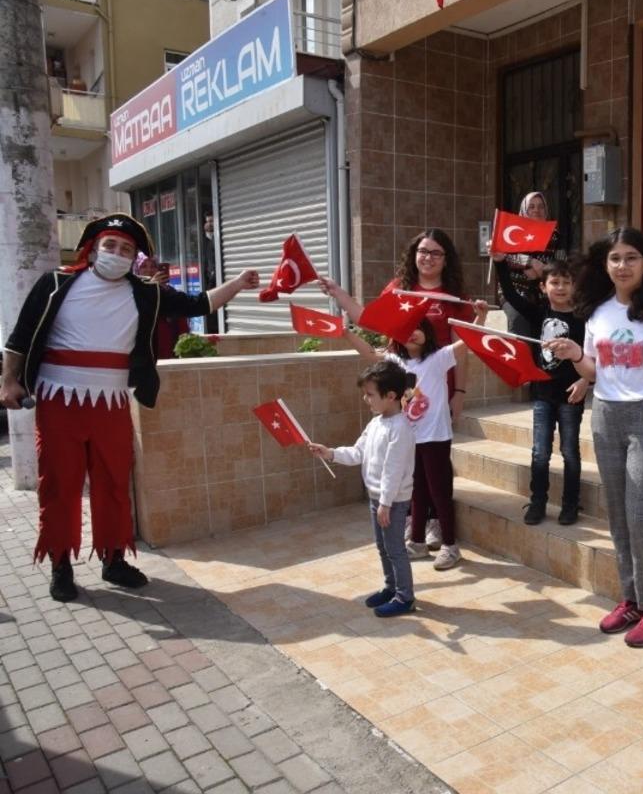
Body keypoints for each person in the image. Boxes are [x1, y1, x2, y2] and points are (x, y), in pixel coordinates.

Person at [0, 214, 260, 602]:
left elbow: (198, 303)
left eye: (126, 249)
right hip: (58, 402)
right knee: (59, 487)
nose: (117, 254)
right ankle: (60, 567)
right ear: (92, 248)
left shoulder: (146, 293)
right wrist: (9, 380)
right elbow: (19, 337)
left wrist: (238, 283)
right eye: (111, 246)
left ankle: (114, 559)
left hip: (111, 403)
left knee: (113, 485)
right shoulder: (56, 283)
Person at [546, 227, 643, 648]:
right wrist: (577, 357)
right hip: (607, 417)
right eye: (615, 258)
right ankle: (630, 597)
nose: (622, 265)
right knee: (617, 515)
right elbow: (597, 371)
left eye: (632, 257)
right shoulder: (598, 312)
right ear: (605, 265)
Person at [321, 228, 475, 550]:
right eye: (423, 251)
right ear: (413, 254)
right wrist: (338, 293)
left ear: (446, 259)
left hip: (436, 388)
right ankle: (415, 524)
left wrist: (459, 393)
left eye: (435, 252)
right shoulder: (399, 289)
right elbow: (367, 319)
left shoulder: (454, 298)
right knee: (411, 466)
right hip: (403, 388)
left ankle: (437, 526)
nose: (427, 258)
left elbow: (465, 348)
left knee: (435, 466)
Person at [368, 301, 487, 571]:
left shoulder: (438, 358)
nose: (413, 333)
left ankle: (450, 546)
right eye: (407, 328)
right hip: (410, 438)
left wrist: (481, 317)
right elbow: (369, 355)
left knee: (439, 490)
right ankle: (419, 542)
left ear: (427, 333)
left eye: (419, 328)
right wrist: (345, 333)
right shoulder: (395, 363)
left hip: (435, 437)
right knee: (416, 491)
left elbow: (467, 341)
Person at [308, 361, 418, 617]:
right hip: (377, 498)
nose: (365, 398)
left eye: (370, 394)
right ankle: (391, 587)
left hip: (391, 501)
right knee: (383, 547)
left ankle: (405, 597)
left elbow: (393, 470)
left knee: (395, 549)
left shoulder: (400, 429)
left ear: (391, 396)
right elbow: (358, 452)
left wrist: (386, 503)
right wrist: (330, 453)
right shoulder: (376, 423)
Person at [492, 255, 588, 526]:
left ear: (574, 286)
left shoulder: (584, 318)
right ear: (544, 286)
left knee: (570, 452)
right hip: (543, 395)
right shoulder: (540, 312)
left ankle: (570, 505)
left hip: (571, 395)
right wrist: (500, 262)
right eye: (554, 282)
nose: (560, 287)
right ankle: (538, 502)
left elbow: (592, 356)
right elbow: (510, 293)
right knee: (540, 452)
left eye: (566, 282)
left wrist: (586, 382)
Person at [497, 191, 561, 337]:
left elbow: (559, 262)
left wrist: (543, 270)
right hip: (515, 291)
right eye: (531, 207)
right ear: (524, 210)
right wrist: (529, 262)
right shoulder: (513, 232)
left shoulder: (555, 236)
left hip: (543, 292)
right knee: (519, 321)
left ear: (546, 210)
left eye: (540, 207)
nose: (536, 210)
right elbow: (504, 257)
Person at [133, 254, 190, 359]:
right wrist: (150, 288)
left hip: (168, 347)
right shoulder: (132, 293)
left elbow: (182, 322)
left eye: (153, 266)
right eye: (144, 266)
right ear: (137, 269)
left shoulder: (170, 291)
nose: (149, 270)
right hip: (143, 351)